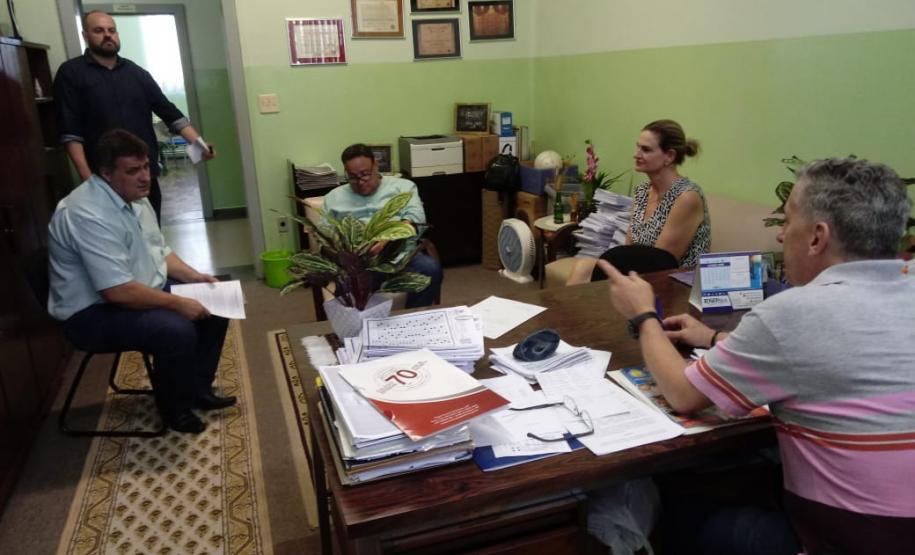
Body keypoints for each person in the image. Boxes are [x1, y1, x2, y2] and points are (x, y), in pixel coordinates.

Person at [600, 157, 915, 553]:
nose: (781, 236)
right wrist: (715, 338)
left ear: (818, 237)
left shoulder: (794, 314)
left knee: (682, 504)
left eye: (787, 221)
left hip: (847, 540)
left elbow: (683, 394)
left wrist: (644, 314)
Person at [48, 129, 234, 434]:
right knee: (176, 329)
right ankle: (176, 409)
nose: (145, 177)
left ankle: (196, 390)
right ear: (106, 174)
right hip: (90, 313)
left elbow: (159, 251)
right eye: (133, 170)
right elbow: (117, 291)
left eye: (146, 166)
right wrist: (178, 302)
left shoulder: (134, 197)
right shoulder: (86, 214)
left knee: (216, 305)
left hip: (136, 289)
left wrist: (195, 278)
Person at [53, 10, 214, 223]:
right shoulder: (71, 73)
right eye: (99, 31)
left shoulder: (137, 73)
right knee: (114, 241)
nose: (107, 35)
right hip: (104, 179)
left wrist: (199, 144)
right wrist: (88, 180)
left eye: (112, 30)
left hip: (144, 176)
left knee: (151, 237)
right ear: (85, 36)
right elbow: (70, 133)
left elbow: (169, 112)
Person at [567, 119, 711, 284]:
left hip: (674, 283)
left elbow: (660, 262)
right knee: (582, 267)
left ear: (669, 156)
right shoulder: (643, 191)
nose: (636, 154)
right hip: (643, 272)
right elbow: (631, 247)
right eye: (638, 147)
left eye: (646, 149)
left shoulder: (686, 197)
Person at [323, 143, 443, 308]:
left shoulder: (403, 187)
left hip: (400, 256)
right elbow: (326, 232)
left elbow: (416, 218)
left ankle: (413, 319)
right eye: (352, 177)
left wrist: (388, 239)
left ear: (376, 165)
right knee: (345, 286)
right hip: (358, 263)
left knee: (431, 269)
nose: (360, 182)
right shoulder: (333, 198)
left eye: (365, 174)